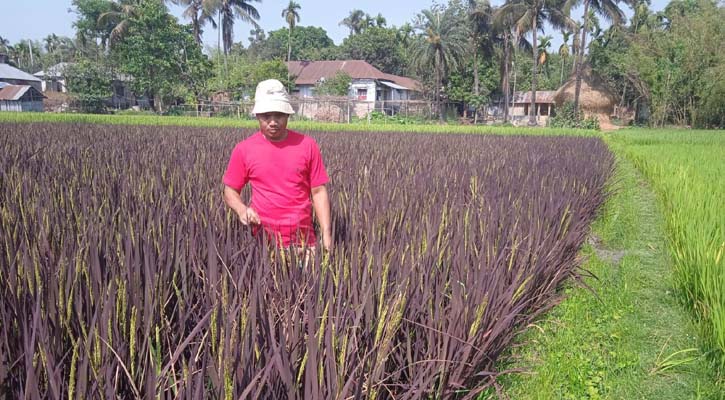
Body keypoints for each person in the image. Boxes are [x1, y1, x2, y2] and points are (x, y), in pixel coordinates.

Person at [222, 79, 332, 255]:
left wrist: (326, 233)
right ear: (257, 115)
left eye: (279, 115)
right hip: (262, 245)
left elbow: (318, 191)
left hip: (303, 244)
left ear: (287, 115)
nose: (273, 122)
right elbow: (230, 191)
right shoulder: (244, 150)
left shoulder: (307, 145)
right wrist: (242, 209)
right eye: (266, 116)